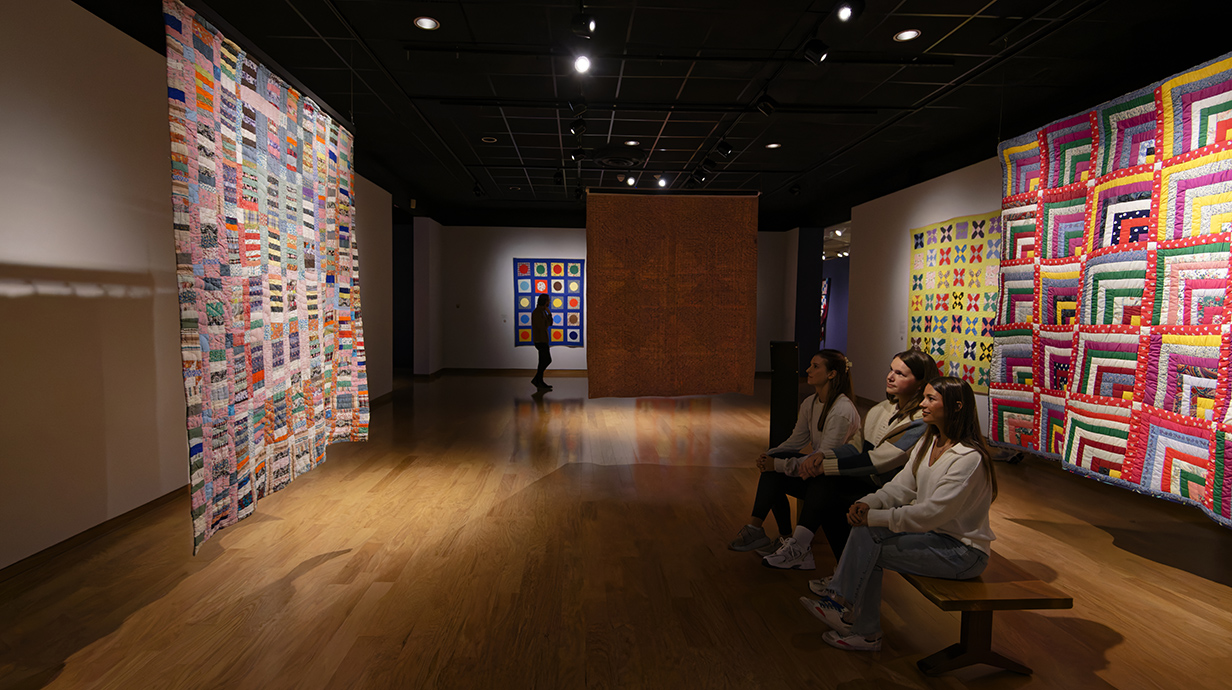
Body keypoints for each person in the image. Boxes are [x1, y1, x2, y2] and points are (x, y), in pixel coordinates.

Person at [798, 376, 997, 651]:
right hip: (933, 537)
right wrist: (869, 503)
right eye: (924, 397)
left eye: (931, 399)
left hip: (963, 553)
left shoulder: (969, 458)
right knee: (865, 532)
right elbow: (901, 487)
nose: (923, 405)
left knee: (870, 546)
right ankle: (846, 612)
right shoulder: (930, 442)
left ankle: (858, 624)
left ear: (956, 406)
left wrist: (875, 517)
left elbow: (930, 514)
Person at [760, 348, 938, 571]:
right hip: (866, 480)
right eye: (891, 370)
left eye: (901, 374)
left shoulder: (920, 421)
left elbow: (879, 461)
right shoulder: (882, 409)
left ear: (921, 384)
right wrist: (823, 456)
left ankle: (806, 551)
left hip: (889, 490)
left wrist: (826, 465)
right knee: (805, 478)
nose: (890, 376)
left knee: (827, 488)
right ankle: (787, 541)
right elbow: (855, 446)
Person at [728, 350, 861, 560]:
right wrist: (769, 455)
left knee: (775, 471)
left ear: (832, 374)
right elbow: (796, 440)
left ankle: (780, 539)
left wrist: (778, 464)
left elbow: (824, 459)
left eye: (815, 366)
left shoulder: (842, 411)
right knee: (772, 471)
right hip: (820, 474)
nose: (808, 370)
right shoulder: (811, 402)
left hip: (834, 481)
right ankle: (779, 536)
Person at [530, 294, 552, 390]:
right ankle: (537, 380)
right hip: (540, 340)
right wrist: (547, 318)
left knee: (543, 361)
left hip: (543, 339)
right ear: (544, 301)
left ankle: (539, 381)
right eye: (548, 300)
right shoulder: (536, 312)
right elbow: (543, 326)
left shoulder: (543, 311)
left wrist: (549, 314)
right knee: (546, 360)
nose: (549, 302)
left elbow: (550, 323)